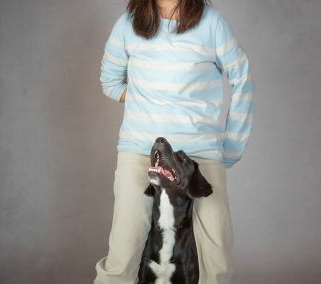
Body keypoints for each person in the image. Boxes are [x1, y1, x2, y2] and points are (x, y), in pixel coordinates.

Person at [94, 0, 255, 283]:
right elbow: (110, 82)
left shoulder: (212, 23)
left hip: (200, 156)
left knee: (217, 260)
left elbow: (242, 80)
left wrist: (231, 147)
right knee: (123, 256)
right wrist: (150, 100)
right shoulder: (127, 25)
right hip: (140, 152)